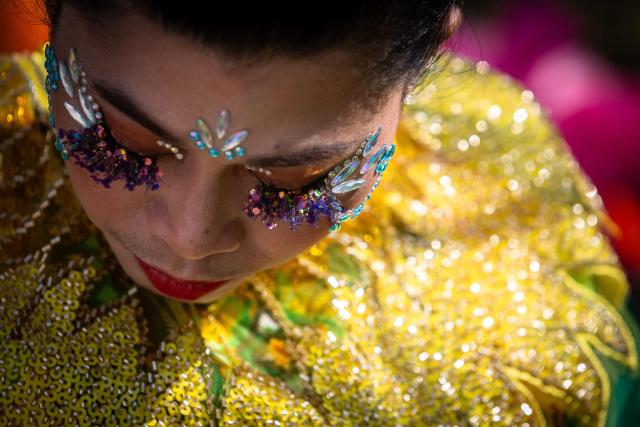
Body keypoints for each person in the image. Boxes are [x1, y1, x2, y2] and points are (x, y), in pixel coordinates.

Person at [1, 1, 638, 425]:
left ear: (422, 64)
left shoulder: (519, 247)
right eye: (124, 140)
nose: (191, 238)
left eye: (293, 178)